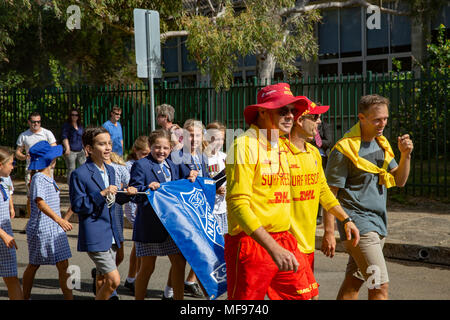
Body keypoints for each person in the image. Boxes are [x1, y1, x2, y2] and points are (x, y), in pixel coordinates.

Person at [225, 82, 319, 300]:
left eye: (292, 111)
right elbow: (238, 204)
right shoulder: (244, 145)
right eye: (282, 110)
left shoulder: (279, 144)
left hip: (284, 238)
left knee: (305, 296)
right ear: (262, 112)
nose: (290, 116)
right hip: (251, 241)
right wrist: (272, 248)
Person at [324, 94, 413, 300]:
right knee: (379, 286)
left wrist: (405, 155)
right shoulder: (344, 149)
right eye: (377, 119)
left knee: (353, 283)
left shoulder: (381, 144)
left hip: (378, 224)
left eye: (385, 119)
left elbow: (399, 180)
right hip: (359, 228)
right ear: (361, 118)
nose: (382, 124)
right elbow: (330, 193)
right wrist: (329, 231)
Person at [271, 98, 359, 300]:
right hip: (286, 245)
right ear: (300, 120)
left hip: (307, 244)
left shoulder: (314, 153)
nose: (320, 121)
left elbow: (324, 191)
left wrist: (345, 219)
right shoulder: (277, 153)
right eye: (316, 117)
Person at [128, 129, 197, 300]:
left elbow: (188, 171)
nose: (161, 151)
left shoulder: (173, 162)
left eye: (166, 148)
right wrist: (147, 188)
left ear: (171, 148)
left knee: (179, 263)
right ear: (150, 146)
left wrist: (192, 173)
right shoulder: (141, 165)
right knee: (147, 267)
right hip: (150, 224)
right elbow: (135, 192)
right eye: (157, 147)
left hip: (172, 225)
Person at [69, 127, 137, 300]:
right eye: (102, 144)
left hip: (113, 232)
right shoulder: (80, 174)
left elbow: (114, 201)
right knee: (114, 280)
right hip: (96, 234)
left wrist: (127, 194)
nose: (108, 148)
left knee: (102, 279)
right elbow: (78, 206)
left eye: (109, 143)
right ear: (89, 149)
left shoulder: (111, 170)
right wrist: (102, 193)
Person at [22, 141, 73, 300]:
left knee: (64, 265)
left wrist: (60, 220)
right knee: (34, 264)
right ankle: (24, 296)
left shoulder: (47, 177)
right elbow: (40, 202)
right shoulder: (38, 178)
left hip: (54, 228)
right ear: (49, 159)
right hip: (43, 228)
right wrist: (60, 219)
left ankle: (69, 298)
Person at [15, 111, 57, 217]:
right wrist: (24, 157)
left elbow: (54, 149)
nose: (36, 124)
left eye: (38, 122)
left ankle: (49, 218)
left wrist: (52, 163)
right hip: (31, 168)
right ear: (29, 122)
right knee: (30, 196)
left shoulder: (47, 133)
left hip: (46, 168)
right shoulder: (24, 135)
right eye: (34, 122)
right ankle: (31, 220)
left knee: (48, 195)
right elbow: (17, 152)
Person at [123, 136, 151, 294]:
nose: (146, 157)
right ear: (136, 151)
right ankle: (136, 278)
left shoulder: (146, 163)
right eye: (144, 153)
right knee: (141, 245)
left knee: (137, 244)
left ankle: (132, 277)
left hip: (142, 204)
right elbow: (129, 184)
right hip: (135, 206)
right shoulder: (130, 165)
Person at [0, 147, 23, 300]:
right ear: (1, 165)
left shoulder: (4, 180)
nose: (13, 166)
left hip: (5, 236)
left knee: (11, 277)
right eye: (11, 163)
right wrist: (4, 235)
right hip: (4, 236)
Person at [204, 121, 228, 235]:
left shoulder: (225, 157)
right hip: (209, 210)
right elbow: (202, 183)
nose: (219, 142)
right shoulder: (203, 158)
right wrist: (214, 190)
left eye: (221, 139)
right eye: (215, 139)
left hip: (224, 209)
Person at [310, 113, 332, 225]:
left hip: (322, 158)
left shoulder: (325, 126)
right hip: (309, 157)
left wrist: (314, 141)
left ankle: (318, 215)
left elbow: (328, 142)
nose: (318, 120)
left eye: (319, 117)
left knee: (319, 185)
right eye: (315, 117)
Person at [61, 108, 86, 185]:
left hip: (80, 150)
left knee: (83, 168)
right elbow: (64, 137)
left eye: (76, 115)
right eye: (73, 115)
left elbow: (83, 138)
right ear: (70, 116)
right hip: (71, 151)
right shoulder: (67, 125)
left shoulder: (80, 126)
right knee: (71, 169)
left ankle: (82, 184)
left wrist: (85, 149)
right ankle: (71, 187)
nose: (74, 116)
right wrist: (67, 148)